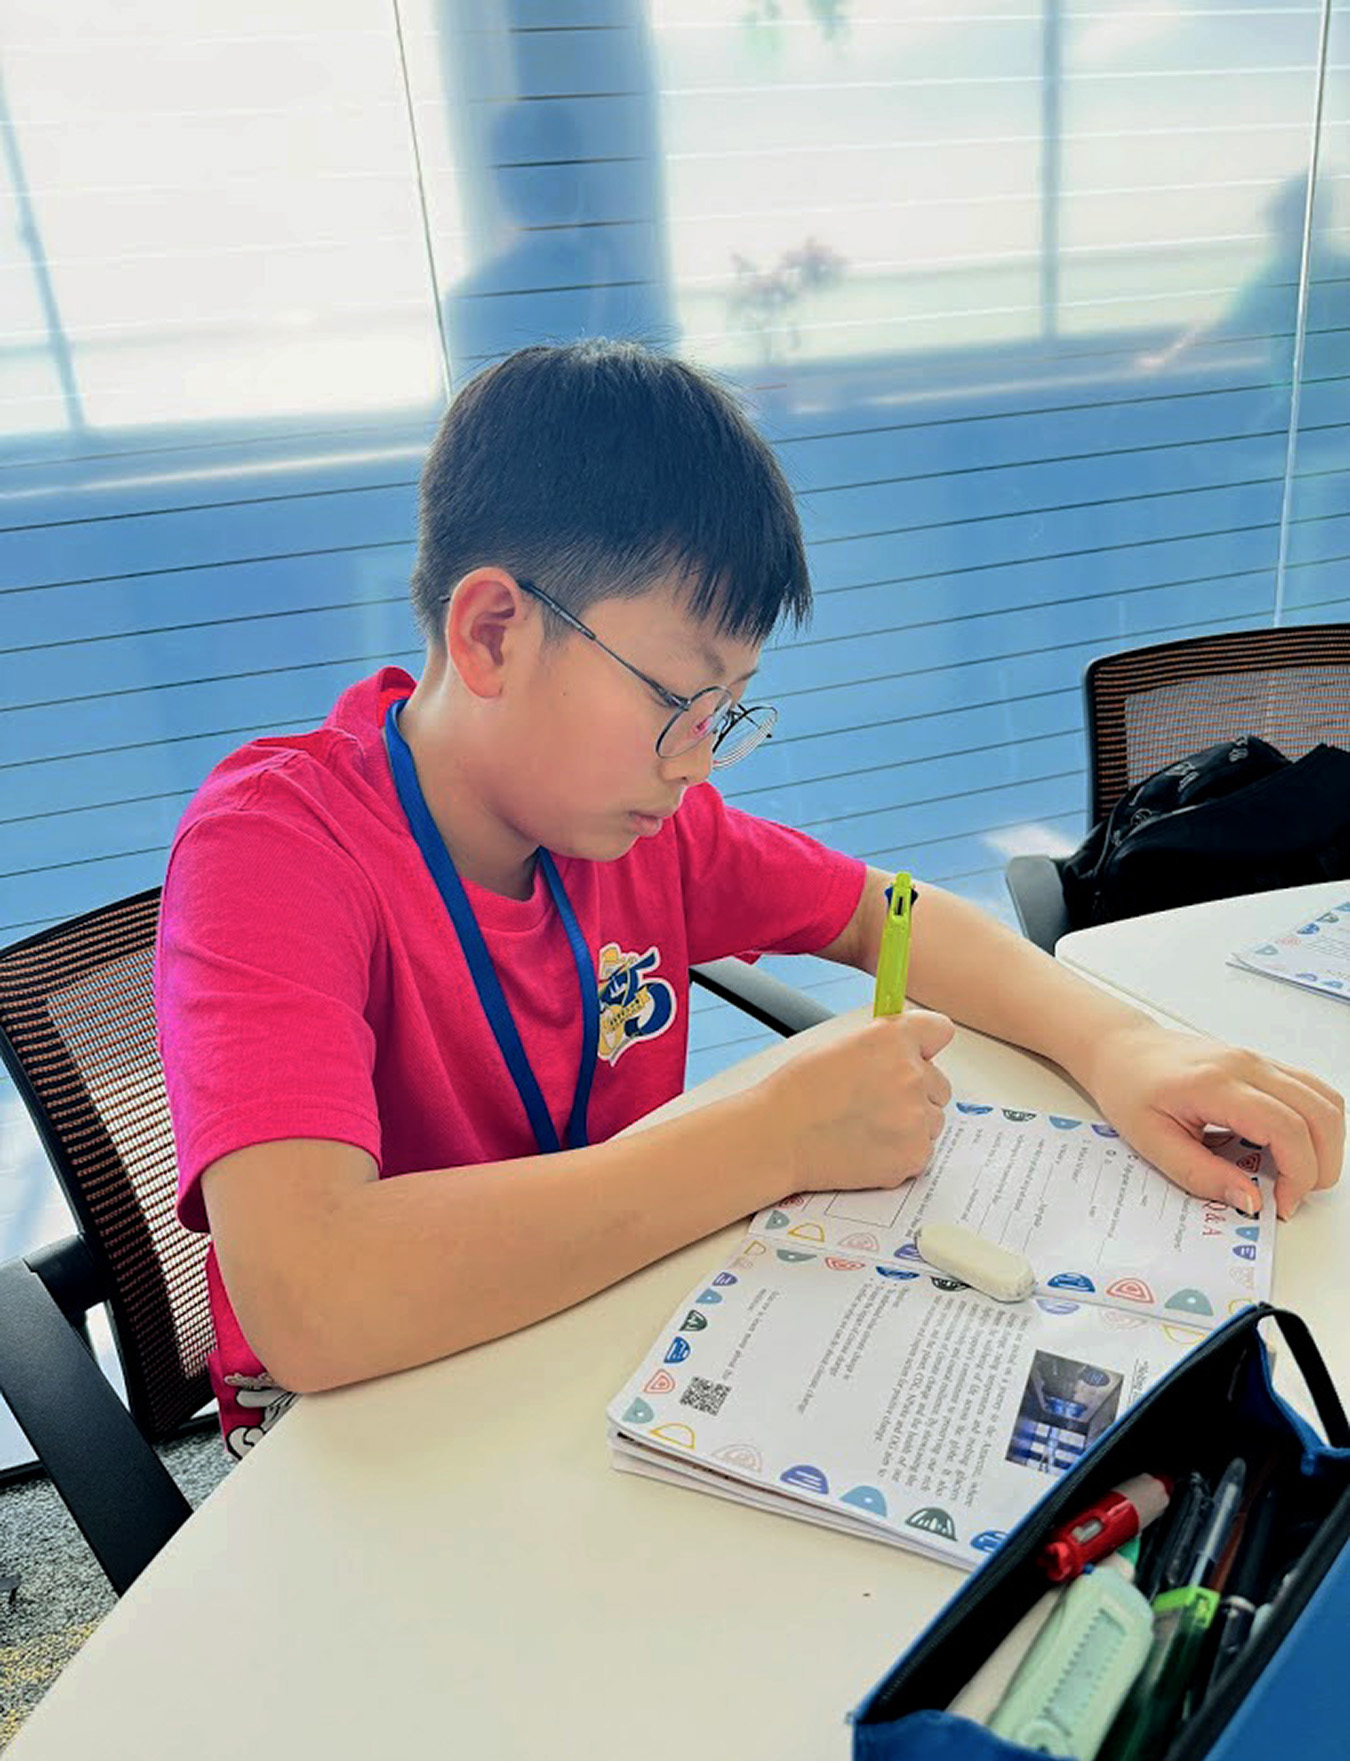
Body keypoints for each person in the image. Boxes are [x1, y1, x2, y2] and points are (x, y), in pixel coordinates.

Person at [155, 340, 1344, 1458]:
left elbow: (889, 915)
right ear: (493, 633)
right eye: (679, 698)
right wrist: (773, 1139)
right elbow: (316, 1302)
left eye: (727, 710)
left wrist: (1123, 1044)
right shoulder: (275, 850)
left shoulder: (635, 825)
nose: (699, 760)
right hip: (354, 1434)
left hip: (587, 1336)